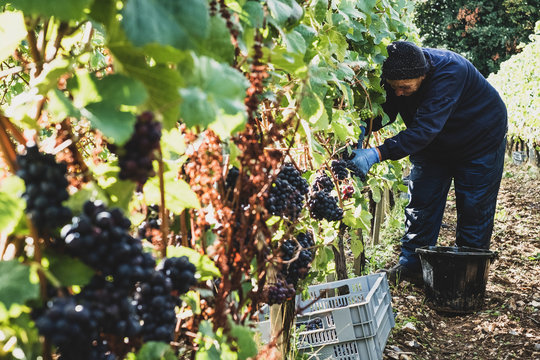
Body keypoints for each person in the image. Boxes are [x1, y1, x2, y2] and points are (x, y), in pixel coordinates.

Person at [351, 41, 508, 284]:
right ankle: (412, 266)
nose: (399, 92)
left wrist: (377, 154)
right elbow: (388, 110)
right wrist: (363, 126)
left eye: (405, 88)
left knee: (475, 207)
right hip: (434, 145)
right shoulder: (397, 74)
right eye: (395, 88)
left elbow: (424, 129)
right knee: (421, 202)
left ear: (423, 76)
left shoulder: (450, 72)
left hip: (480, 141)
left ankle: (467, 277)